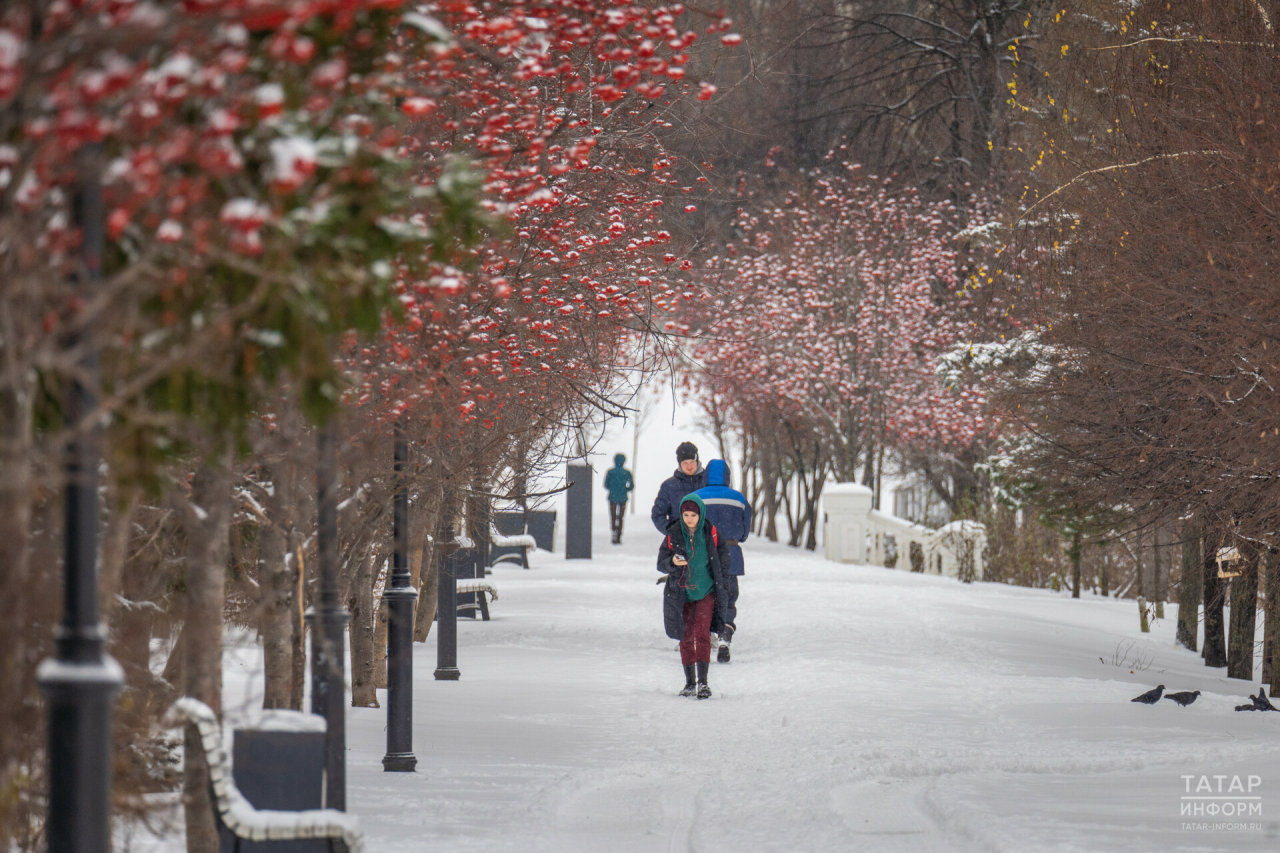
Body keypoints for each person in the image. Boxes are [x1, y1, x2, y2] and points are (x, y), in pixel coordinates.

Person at [656, 494, 731, 698]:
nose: (689, 518)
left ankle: (703, 683)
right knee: (686, 636)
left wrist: (721, 581)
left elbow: (724, 558)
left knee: (702, 634)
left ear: (700, 514)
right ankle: (689, 683)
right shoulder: (673, 534)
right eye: (685, 514)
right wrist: (672, 562)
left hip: (706, 591)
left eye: (693, 514)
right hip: (682, 594)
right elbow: (660, 562)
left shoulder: (710, 532)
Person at [695, 459, 751, 663]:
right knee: (728, 596)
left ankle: (707, 633)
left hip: (703, 555)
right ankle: (725, 635)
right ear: (727, 476)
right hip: (731, 553)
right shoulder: (738, 499)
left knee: (705, 596)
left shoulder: (696, 498)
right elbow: (745, 530)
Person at [651, 441, 707, 534]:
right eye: (685, 462)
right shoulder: (668, 486)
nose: (689, 466)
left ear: (697, 461)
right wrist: (673, 533)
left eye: (692, 462)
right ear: (680, 464)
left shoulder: (707, 483)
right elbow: (658, 514)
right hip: (679, 545)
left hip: (706, 543)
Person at [602, 453, 634, 544]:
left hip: (612, 497)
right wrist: (625, 489)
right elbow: (631, 486)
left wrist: (612, 489)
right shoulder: (627, 472)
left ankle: (613, 531)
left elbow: (606, 484)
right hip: (623, 497)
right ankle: (619, 534)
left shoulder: (610, 472)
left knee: (613, 515)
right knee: (620, 516)